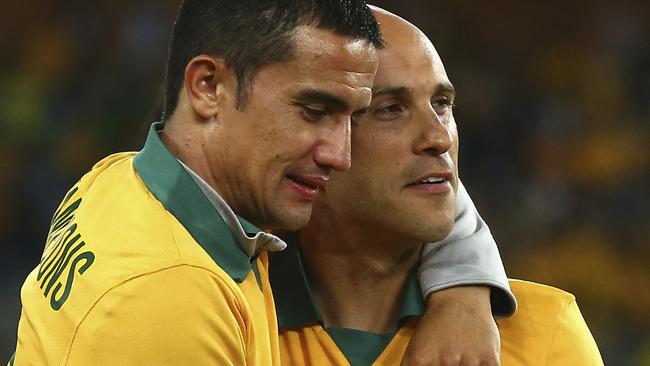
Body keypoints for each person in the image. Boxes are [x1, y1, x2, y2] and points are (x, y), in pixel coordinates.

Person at [9, 1, 514, 365]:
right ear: (208, 87)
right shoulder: (171, 307)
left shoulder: (121, 179)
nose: (340, 154)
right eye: (313, 111)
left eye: (354, 117)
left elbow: (427, 182)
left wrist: (461, 287)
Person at [271, 6, 604, 366]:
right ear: (315, 135)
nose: (439, 137)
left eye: (442, 103)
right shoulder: (234, 309)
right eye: (390, 109)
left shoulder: (546, 334)